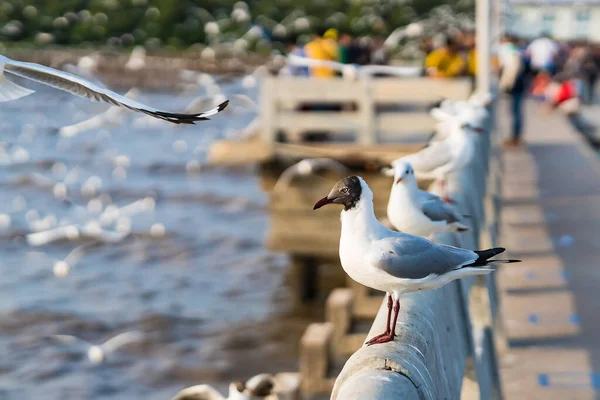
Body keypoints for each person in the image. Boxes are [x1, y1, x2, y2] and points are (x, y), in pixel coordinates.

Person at [499, 34, 529, 148]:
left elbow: (512, 70)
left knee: (515, 112)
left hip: (515, 86)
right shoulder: (516, 51)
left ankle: (515, 138)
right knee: (516, 112)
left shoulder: (510, 52)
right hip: (518, 85)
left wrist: (506, 85)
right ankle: (515, 137)